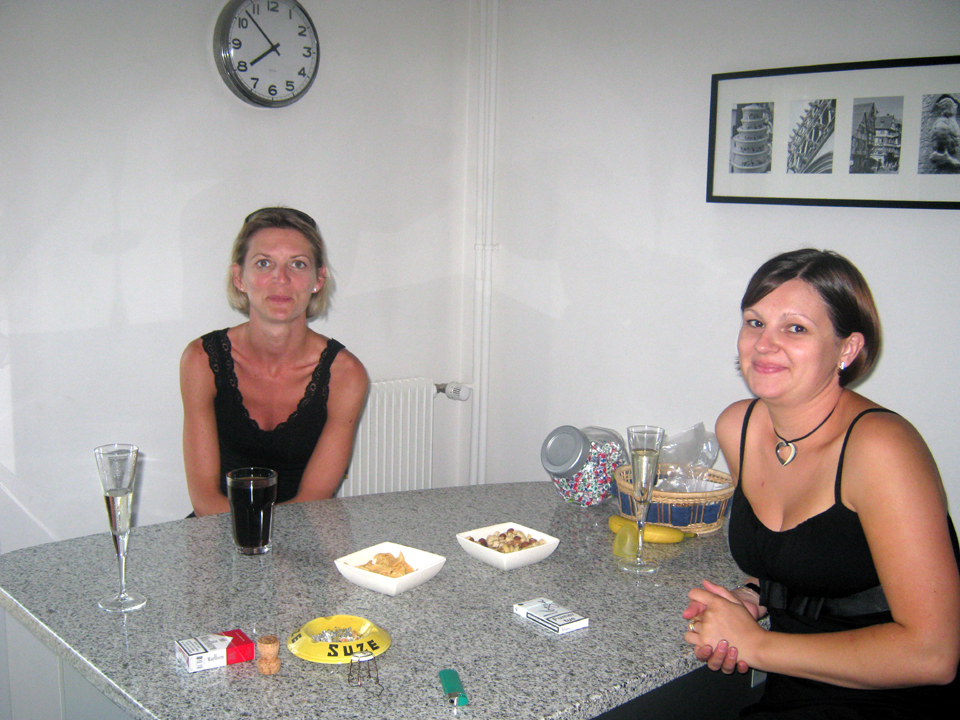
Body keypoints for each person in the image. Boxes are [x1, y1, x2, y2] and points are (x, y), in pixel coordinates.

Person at [682, 249, 960, 717]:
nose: (764, 344)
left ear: (847, 349)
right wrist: (753, 596)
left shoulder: (881, 448)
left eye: (795, 328)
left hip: (893, 699)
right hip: (795, 690)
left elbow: (933, 655)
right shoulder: (739, 428)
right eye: (755, 322)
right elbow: (807, 556)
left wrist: (757, 645)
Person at [180, 207, 368, 516]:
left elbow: (314, 500)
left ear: (318, 279)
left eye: (298, 264)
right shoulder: (201, 360)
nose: (281, 279)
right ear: (239, 277)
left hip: (304, 526)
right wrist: (250, 538)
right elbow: (204, 499)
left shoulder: (345, 374)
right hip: (218, 522)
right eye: (264, 263)